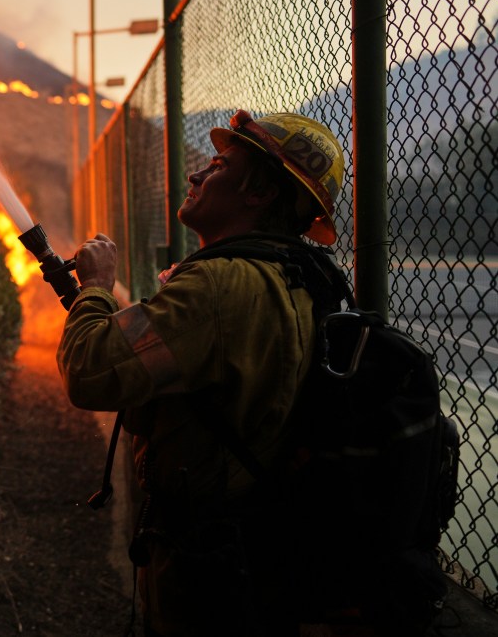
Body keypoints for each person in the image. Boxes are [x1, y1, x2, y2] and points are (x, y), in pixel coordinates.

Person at [57, 110, 347, 636]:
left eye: (216, 165)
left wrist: (97, 286)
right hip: (260, 545)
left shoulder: (217, 288)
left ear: (258, 193)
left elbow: (88, 369)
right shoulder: (303, 279)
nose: (195, 174)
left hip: (203, 563)